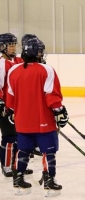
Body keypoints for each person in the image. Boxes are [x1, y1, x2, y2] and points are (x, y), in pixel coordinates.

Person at [6, 38, 69, 196]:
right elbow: (52, 97)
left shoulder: (14, 70)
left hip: (22, 122)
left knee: (23, 150)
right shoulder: (46, 70)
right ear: (38, 52)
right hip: (43, 121)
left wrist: (13, 112)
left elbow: (10, 98)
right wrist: (60, 111)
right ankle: (49, 181)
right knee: (49, 152)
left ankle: (18, 179)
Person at [0, 33, 33, 177]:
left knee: (22, 137)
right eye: (10, 45)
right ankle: (7, 165)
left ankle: (19, 165)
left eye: (14, 44)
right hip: (7, 107)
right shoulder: (1, 64)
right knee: (9, 137)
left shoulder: (19, 60)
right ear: (2, 47)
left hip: (21, 107)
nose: (13, 47)